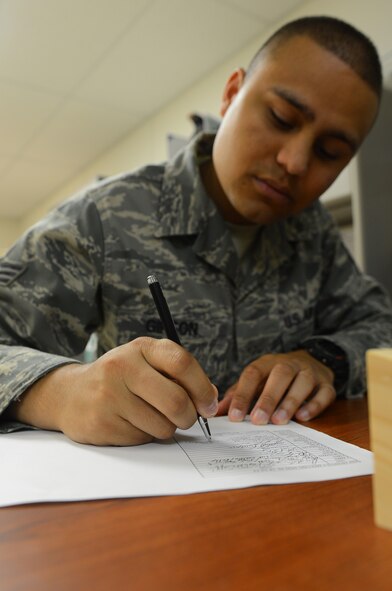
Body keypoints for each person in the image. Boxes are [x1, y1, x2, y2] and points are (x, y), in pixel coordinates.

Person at [1, 16, 392, 446]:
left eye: (330, 152)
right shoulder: (106, 215)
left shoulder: (312, 231)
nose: (296, 162)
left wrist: (325, 359)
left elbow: (380, 326)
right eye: (281, 118)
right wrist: (62, 391)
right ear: (230, 95)